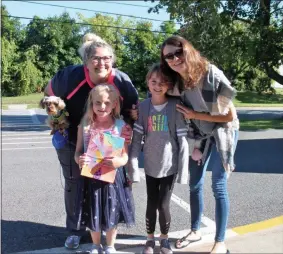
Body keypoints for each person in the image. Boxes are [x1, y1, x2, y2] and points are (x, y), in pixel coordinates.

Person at [44, 33, 138, 249]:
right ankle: (75, 230)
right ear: (86, 62)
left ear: (112, 60)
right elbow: (49, 92)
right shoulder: (69, 77)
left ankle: (107, 226)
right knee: (75, 184)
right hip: (74, 136)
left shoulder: (122, 81)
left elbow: (133, 112)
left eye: (106, 58)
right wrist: (55, 114)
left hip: (108, 140)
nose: (101, 63)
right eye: (95, 58)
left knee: (107, 185)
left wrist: (128, 132)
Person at [160, 35, 239, 254]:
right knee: (195, 183)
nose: (175, 58)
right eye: (169, 56)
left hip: (224, 130)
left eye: (178, 52)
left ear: (189, 50)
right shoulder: (176, 83)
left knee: (218, 185)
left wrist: (196, 113)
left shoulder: (210, 73)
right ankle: (195, 230)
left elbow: (229, 116)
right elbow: (158, 97)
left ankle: (220, 242)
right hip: (200, 133)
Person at [128, 63, 189, 254]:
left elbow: (183, 140)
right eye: (154, 81)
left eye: (162, 82)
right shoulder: (143, 107)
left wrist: (183, 171)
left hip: (169, 166)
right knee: (151, 203)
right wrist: (133, 165)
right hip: (151, 165)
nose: (157, 85)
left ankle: (164, 239)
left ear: (169, 85)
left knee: (163, 205)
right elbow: (137, 138)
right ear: (148, 82)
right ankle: (149, 239)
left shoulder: (174, 107)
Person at [74, 84, 135, 253]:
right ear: (91, 103)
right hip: (91, 177)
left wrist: (118, 162)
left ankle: (110, 245)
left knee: (112, 211)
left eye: (107, 103)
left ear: (115, 104)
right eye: (97, 102)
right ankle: (95, 244)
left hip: (113, 178)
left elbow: (125, 156)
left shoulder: (120, 125)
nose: (102, 107)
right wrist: (80, 159)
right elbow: (78, 151)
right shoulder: (85, 125)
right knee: (93, 209)